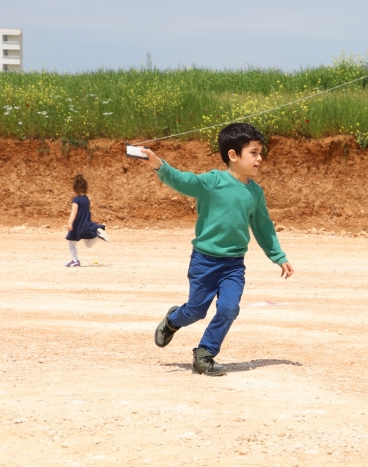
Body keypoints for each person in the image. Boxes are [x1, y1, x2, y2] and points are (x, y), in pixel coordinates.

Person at [140, 123, 294, 376]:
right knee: (196, 311)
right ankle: (173, 320)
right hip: (205, 261)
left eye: (260, 153)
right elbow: (183, 180)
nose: (259, 158)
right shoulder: (212, 181)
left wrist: (278, 256)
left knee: (229, 309)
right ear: (233, 155)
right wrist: (159, 164)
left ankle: (205, 353)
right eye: (253, 153)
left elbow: (263, 226)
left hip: (233, 264)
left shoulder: (255, 192)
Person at [65, 174, 109, 267]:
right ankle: (97, 233)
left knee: (71, 242)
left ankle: (75, 260)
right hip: (86, 224)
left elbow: (74, 212)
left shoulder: (76, 199)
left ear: (74, 188)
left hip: (78, 225)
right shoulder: (86, 199)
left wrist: (70, 223)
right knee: (88, 244)